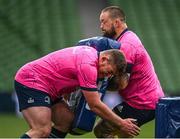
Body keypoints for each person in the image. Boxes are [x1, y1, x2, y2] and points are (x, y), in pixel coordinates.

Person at [14, 44, 140, 138]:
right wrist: (121, 123)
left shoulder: (91, 53)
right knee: (41, 130)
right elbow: (94, 105)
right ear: (104, 59)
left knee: (66, 120)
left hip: (48, 87)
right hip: (32, 80)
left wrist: (66, 91)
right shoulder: (88, 66)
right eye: (110, 72)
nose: (107, 76)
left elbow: (65, 68)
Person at [93, 5, 165, 138]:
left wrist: (95, 83)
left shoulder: (127, 45)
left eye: (104, 21)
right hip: (147, 100)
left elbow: (122, 83)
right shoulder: (125, 39)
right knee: (123, 132)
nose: (101, 26)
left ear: (116, 22)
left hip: (142, 103)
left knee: (101, 130)